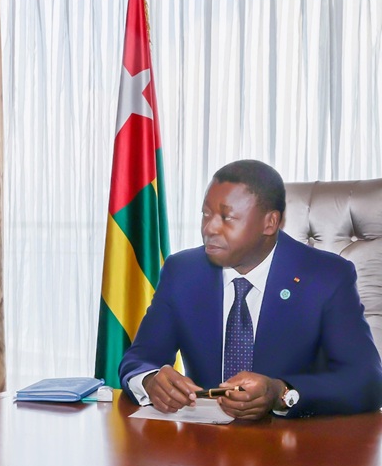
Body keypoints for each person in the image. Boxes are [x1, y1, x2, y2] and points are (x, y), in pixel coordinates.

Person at [119, 159, 382, 420]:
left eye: (227, 217)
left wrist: (281, 392)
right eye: (206, 214)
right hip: (203, 438)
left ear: (270, 223)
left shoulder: (327, 276)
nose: (210, 228)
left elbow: (366, 381)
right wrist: (150, 380)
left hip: (293, 438)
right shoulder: (183, 271)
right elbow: (140, 359)